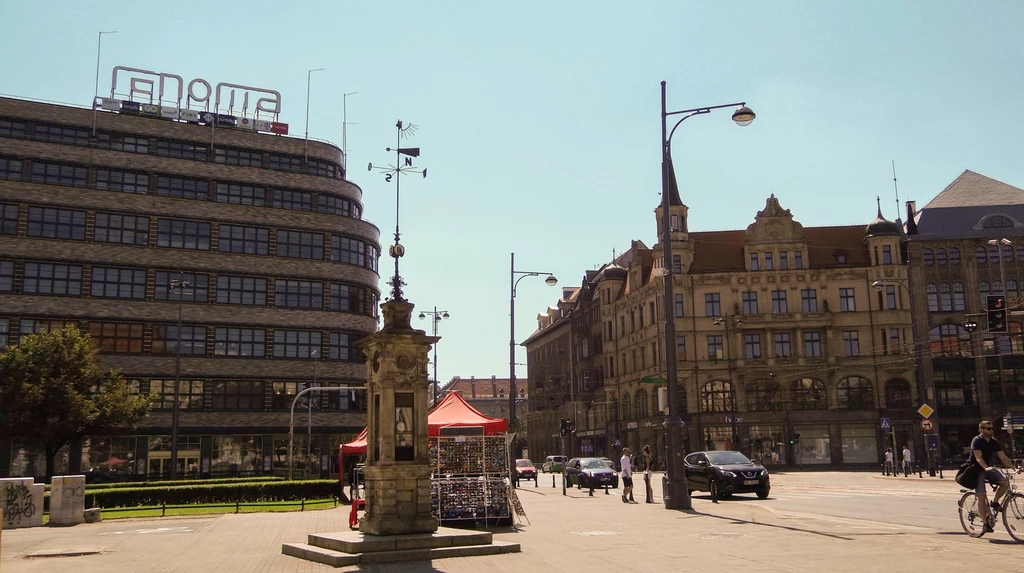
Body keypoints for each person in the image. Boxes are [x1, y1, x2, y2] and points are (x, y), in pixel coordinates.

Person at [972, 420, 1021, 531]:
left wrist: (1014, 468)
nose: (991, 431)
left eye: (991, 428)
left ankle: (994, 502)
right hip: (977, 469)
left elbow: (1003, 457)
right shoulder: (977, 441)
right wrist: (985, 468)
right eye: (988, 429)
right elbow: (978, 457)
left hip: (989, 468)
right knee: (981, 496)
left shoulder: (994, 441)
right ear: (981, 429)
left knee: (1004, 482)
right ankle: (985, 524)